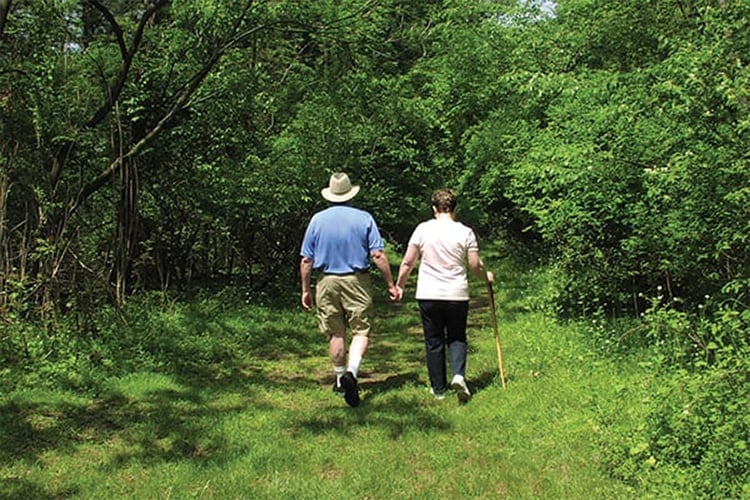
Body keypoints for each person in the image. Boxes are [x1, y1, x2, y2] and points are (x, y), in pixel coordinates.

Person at [300, 172, 401, 407]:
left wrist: (306, 289)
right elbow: (378, 254)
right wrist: (390, 284)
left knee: (336, 333)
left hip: (326, 281)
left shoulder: (317, 220)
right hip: (357, 281)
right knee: (360, 331)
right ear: (349, 193)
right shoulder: (364, 218)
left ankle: (339, 377)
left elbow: (306, 260)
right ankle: (352, 373)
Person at [395, 188, 493, 402]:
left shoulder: (422, 229)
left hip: (428, 293)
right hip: (456, 293)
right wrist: (486, 277)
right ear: (454, 209)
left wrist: (399, 285)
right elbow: (475, 264)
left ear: (434, 209)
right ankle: (458, 375)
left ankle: (438, 389)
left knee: (434, 340)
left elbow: (408, 261)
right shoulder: (465, 232)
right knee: (457, 336)